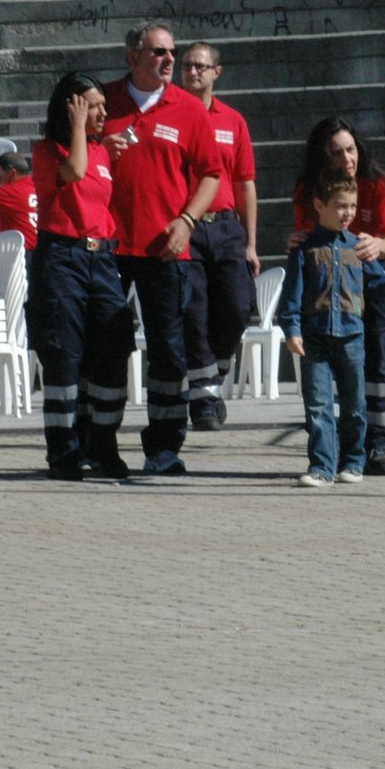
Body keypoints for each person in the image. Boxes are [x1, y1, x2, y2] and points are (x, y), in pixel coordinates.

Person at [96, 23, 221, 475]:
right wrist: (98, 149)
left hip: (166, 250)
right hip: (106, 247)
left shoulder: (188, 109)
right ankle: (99, 444)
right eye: (158, 53)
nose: (170, 61)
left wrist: (187, 222)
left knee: (168, 350)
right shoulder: (103, 100)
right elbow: (69, 157)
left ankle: (164, 449)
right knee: (107, 347)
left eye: (172, 53)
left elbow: (212, 174)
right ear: (132, 57)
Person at [281, 170, 385, 487]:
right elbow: (292, 293)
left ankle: (353, 462)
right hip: (314, 340)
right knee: (318, 406)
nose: (348, 214)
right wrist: (291, 329)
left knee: (355, 406)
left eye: (352, 206)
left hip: (352, 338)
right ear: (319, 205)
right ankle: (321, 466)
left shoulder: (357, 247)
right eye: (340, 206)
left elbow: (379, 288)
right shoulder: (304, 249)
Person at [26, 72, 132, 481]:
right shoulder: (46, 151)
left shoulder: (101, 152)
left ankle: (103, 445)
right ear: (72, 107)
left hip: (102, 259)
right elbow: (71, 171)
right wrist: (75, 128)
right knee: (64, 356)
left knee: (112, 350)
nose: (104, 112)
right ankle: (64, 452)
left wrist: (95, 143)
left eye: (104, 104)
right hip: (62, 258)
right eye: (93, 105)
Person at [290, 118, 385, 475]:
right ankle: (332, 451)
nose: (347, 159)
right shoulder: (310, 189)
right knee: (330, 370)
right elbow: (307, 236)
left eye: (351, 149)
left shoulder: (378, 185)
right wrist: (296, 244)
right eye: (337, 152)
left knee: (377, 357)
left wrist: (377, 245)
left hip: (369, 274)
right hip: (327, 283)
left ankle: (378, 444)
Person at [177, 42, 259, 431]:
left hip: (227, 227)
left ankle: (213, 376)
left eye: (200, 66)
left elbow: (246, 184)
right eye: (187, 66)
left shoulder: (232, 121)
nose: (192, 72)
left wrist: (251, 242)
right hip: (186, 225)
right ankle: (204, 400)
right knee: (193, 311)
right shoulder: (169, 115)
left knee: (238, 306)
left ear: (216, 72)